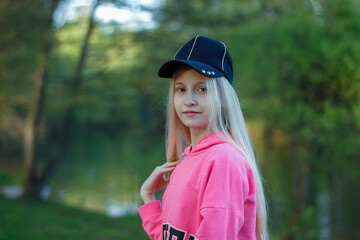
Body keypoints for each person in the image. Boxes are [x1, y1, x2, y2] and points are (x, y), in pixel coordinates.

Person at [139, 35, 268, 240]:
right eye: (181, 89)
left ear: (223, 99)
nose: (189, 100)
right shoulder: (188, 159)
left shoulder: (223, 160)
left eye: (202, 89)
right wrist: (148, 199)